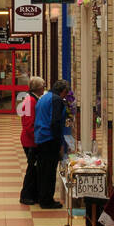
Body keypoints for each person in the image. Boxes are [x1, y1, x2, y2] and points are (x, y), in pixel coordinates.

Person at [34, 78, 70, 209]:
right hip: (49, 139)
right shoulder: (56, 100)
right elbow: (55, 122)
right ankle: (47, 200)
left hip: (40, 136)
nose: (65, 96)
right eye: (66, 93)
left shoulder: (44, 97)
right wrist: (59, 143)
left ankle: (41, 196)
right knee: (49, 171)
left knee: (43, 170)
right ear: (63, 91)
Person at [18, 77, 45, 205]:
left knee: (34, 168)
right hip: (30, 141)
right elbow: (29, 125)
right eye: (43, 85)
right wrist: (38, 139)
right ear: (39, 88)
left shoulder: (32, 99)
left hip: (31, 139)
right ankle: (25, 195)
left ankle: (33, 194)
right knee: (32, 168)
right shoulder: (30, 101)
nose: (44, 88)